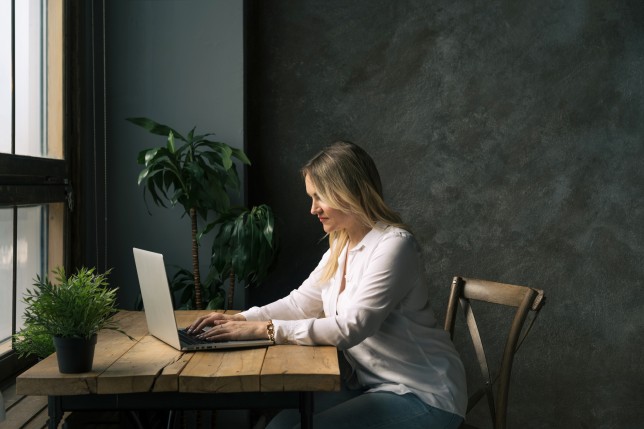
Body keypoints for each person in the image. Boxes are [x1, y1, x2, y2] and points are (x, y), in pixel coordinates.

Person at [188, 141, 467, 429]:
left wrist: (268, 330)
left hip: (426, 395)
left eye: (319, 196)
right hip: (371, 386)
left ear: (350, 192)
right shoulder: (341, 245)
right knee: (277, 427)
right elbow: (300, 303)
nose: (313, 209)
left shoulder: (394, 246)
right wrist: (240, 320)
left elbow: (353, 326)